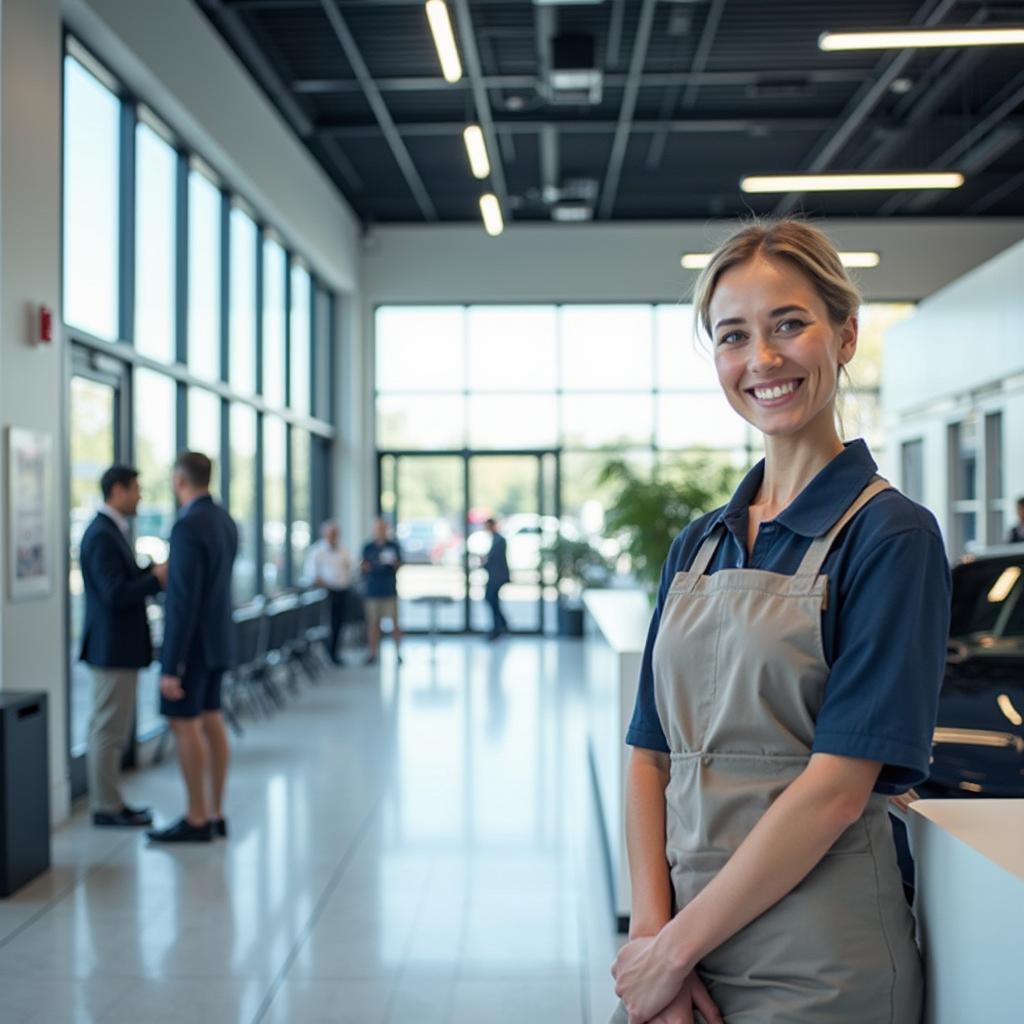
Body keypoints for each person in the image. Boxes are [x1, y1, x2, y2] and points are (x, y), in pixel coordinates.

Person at [610, 220, 951, 1024]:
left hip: (819, 967)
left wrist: (674, 948)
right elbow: (647, 754)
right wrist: (653, 943)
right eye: (734, 336)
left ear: (846, 334)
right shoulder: (700, 541)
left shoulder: (890, 536)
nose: (762, 359)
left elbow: (835, 792)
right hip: (687, 951)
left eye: (789, 324)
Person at [147, 452, 238, 844]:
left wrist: (171, 664)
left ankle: (196, 817)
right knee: (212, 719)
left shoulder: (187, 526)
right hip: (219, 638)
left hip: (194, 645)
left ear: (179, 480)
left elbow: (182, 601)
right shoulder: (224, 520)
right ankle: (216, 811)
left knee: (186, 725)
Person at [80, 465, 167, 828]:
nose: (140, 496)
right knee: (107, 728)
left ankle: (112, 800)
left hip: (119, 647)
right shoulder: (101, 534)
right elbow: (114, 593)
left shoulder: (112, 530)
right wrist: (154, 579)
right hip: (111, 647)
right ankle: (105, 806)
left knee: (112, 727)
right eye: (135, 489)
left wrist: (145, 572)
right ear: (117, 490)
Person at [304, 519, 355, 664]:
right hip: (325, 593)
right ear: (324, 534)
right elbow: (311, 574)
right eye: (330, 534)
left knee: (339, 623)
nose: (333, 537)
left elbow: (352, 566)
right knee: (327, 624)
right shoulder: (317, 551)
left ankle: (335, 652)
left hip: (342, 591)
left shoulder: (343, 550)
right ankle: (328, 653)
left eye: (335, 534)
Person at [360, 518, 403, 665]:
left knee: (395, 623)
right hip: (373, 591)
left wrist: (392, 563)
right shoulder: (368, 547)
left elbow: (399, 565)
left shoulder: (394, 546)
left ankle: (398, 653)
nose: (380, 531)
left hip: (389, 590)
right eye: (378, 529)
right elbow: (363, 568)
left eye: (383, 529)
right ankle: (372, 653)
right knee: (373, 624)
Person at [482, 517, 510, 640]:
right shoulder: (495, 539)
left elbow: (495, 560)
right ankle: (501, 624)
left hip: (497, 577)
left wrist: (485, 562)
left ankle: (498, 628)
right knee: (492, 600)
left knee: (490, 598)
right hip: (495, 576)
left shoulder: (500, 540)